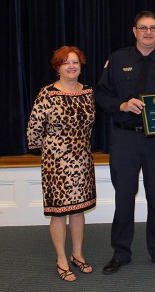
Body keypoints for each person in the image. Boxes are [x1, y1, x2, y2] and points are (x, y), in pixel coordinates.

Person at [95, 10, 155, 275]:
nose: (148, 32)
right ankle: (120, 252)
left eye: (153, 28)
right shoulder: (118, 58)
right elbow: (101, 93)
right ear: (134, 31)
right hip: (125, 139)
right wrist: (121, 104)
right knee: (124, 198)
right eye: (143, 28)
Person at [27, 46, 96, 282]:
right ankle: (61, 259)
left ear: (80, 66)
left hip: (83, 160)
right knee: (59, 213)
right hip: (56, 164)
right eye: (66, 63)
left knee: (78, 210)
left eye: (75, 62)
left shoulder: (88, 92)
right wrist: (51, 152)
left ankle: (77, 254)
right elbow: (34, 129)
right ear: (58, 68)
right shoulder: (46, 94)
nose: (71, 66)